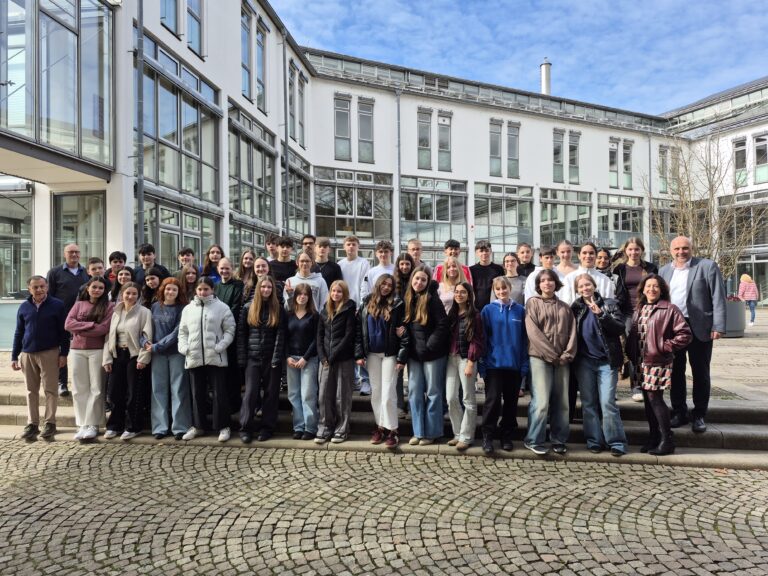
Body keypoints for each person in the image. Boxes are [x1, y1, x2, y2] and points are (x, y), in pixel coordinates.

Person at [659, 236, 726, 433]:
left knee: (700, 372)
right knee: (675, 372)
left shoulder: (707, 266)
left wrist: (718, 326)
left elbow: (718, 297)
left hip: (699, 327)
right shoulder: (663, 271)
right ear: (671, 251)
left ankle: (699, 414)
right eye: (677, 249)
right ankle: (679, 411)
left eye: (685, 248)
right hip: (673, 328)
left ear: (692, 248)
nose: (681, 252)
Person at [627, 274, 692, 455]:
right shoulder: (639, 308)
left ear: (662, 289)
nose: (652, 289)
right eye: (648, 286)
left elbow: (685, 334)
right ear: (643, 289)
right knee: (648, 401)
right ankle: (654, 437)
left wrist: (665, 346)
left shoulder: (669, 309)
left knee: (655, 399)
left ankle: (667, 439)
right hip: (641, 360)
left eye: (656, 286)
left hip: (657, 360)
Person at [571, 274, 628, 456]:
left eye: (588, 284)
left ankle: (616, 442)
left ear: (594, 286)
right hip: (584, 362)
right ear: (577, 290)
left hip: (606, 361)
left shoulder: (609, 304)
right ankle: (594, 440)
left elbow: (620, 327)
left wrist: (602, 314)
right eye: (581, 286)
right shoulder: (576, 307)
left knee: (607, 402)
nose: (585, 288)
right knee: (588, 403)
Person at [524, 269, 576, 456]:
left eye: (550, 280)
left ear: (556, 283)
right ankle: (533, 439)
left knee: (562, 402)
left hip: (563, 360)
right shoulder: (533, 303)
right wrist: (551, 354)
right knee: (541, 401)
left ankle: (558, 439)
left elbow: (572, 333)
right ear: (538, 285)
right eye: (543, 281)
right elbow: (533, 333)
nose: (547, 283)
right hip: (539, 358)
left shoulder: (565, 307)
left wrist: (567, 354)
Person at [12, 276, 70, 440]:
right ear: (29, 289)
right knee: (31, 391)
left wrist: (64, 353)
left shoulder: (57, 305)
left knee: (50, 390)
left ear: (47, 287)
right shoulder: (24, 307)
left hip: (49, 353)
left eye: (42, 286)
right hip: (27, 353)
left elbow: (64, 332)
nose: (39, 290)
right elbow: (19, 332)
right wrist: (14, 356)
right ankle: (32, 424)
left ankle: (50, 423)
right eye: (35, 287)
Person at [178, 277, 236, 441]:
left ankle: (223, 426)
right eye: (200, 289)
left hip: (215, 357)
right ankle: (198, 426)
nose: (203, 292)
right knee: (197, 394)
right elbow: (183, 331)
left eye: (206, 289)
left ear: (212, 290)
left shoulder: (222, 307)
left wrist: (221, 345)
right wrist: (184, 348)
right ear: (195, 290)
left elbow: (230, 329)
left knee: (219, 393)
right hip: (194, 356)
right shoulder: (188, 309)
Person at [355, 274, 408, 449]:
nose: (386, 287)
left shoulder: (398, 304)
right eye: (383, 284)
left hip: (390, 355)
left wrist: (401, 357)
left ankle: (393, 430)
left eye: (389, 285)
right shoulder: (366, 302)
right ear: (378, 284)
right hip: (371, 355)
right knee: (376, 393)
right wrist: (359, 354)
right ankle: (380, 427)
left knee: (388, 394)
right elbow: (358, 330)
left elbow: (403, 332)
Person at [480, 277, 528, 454]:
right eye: (498, 289)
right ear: (494, 291)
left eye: (504, 288)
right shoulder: (488, 310)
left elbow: (524, 340)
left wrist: (524, 366)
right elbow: (483, 339)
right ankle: (488, 436)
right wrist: (482, 365)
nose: (501, 292)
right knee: (492, 403)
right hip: (494, 365)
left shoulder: (520, 311)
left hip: (513, 366)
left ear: (510, 288)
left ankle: (506, 436)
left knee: (511, 403)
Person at [403, 266, 449, 446]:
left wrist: (429, 345)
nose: (419, 282)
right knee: (414, 393)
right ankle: (418, 431)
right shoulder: (408, 298)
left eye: (423, 280)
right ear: (412, 279)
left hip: (433, 354)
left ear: (428, 281)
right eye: (417, 279)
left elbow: (442, 325)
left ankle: (432, 432)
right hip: (414, 355)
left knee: (433, 393)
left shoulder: (432, 299)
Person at [65, 276, 113, 441]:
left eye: (101, 288)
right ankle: (82, 423)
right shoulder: (78, 304)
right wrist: (90, 325)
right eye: (94, 287)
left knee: (96, 388)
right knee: (79, 388)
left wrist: (80, 329)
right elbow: (68, 324)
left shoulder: (108, 306)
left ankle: (94, 424)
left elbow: (103, 329)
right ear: (88, 288)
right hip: (77, 350)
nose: (97, 290)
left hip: (97, 350)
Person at [238, 276, 285, 443]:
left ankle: (267, 428)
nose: (266, 290)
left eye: (269, 287)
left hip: (271, 359)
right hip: (253, 358)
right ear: (258, 289)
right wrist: (242, 359)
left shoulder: (278, 309)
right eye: (263, 287)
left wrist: (276, 357)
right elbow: (242, 335)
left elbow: (280, 335)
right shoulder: (247, 308)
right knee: (250, 394)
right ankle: (245, 427)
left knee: (271, 395)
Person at [102, 282, 152, 441]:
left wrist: (143, 358)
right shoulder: (116, 311)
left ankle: (133, 426)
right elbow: (109, 337)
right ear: (122, 294)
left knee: (133, 393)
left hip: (134, 355)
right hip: (117, 354)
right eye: (127, 293)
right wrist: (107, 358)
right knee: (114, 393)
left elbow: (147, 336)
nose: (130, 297)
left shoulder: (144, 312)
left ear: (138, 296)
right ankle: (114, 425)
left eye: (134, 294)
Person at [613, 237, 658, 402]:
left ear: (642, 250)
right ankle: (636, 387)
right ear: (625, 251)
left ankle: (643, 384)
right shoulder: (619, 269)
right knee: (631, 349)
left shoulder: (650, 268)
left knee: (645, 349)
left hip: (646, 311)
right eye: (630, 249)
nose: (633, 252)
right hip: (626, 313)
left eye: (637, 249)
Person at [146, 277, 191, 441]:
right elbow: (147, 327)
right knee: (158, 390)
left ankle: (180, 427)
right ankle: (160, 427)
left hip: (176, 352)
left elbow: (177, 332)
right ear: (162, 290)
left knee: (178, 389)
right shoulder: (154, 307)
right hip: (157, 354)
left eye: (174, 289)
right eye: (168, 289)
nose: (170, 292)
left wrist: (158, 345)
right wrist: (145, 342)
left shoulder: (183, 308)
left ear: (179, 292)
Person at [315, 280, 357, 444]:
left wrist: (333, 356)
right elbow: (319, 335)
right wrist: (322, 356)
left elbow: (348, 336)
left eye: (339, 291)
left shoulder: (349, 309)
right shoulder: (325, 310)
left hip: (343, 359)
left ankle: (342, 429)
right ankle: (325, 427)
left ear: (344, 293)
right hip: (325, 360)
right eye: (333, 291)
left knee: (342, 396)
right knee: (324, 395)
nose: (336, 294)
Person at [46, 243, 89, 397]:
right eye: (71, 252)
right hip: (61, 319)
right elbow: (48, 296)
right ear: (64, 254)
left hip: (82, 319)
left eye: (77, 252)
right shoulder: (54, 272)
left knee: (82, 351)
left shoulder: (86, 272)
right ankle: (61, 383)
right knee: (62, 352)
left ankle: (81, 384)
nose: (74, 255)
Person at [446, 281, 482, 451]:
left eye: (463, 292)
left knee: (468, 399)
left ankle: (467, 436)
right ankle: (458, 433)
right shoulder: (451, 313)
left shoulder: (474, 315)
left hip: (466, 359)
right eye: (457, 292)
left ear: (469, 295)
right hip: (451, 359)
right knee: (451, 397)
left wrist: (471, 362)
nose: (459, 294)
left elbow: (477, 340)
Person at [285, 283, 320, 441]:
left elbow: (316, 340)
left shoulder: (314, 315)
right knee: (294, 394)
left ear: (309, 297)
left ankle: (310, 427)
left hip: (309, 359)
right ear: (295, 296)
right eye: (299, 294)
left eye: (305, 294)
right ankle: (298, 427)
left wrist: (305, 358)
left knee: (308, 394)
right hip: (291, 358)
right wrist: (287, 356)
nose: (302, 296)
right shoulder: (289, 315)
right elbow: (283, 337)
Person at [338, 235, 371, 394]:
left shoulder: (364, 263)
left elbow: (364, 285)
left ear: (358, 247)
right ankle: (351, 379)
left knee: (361, 343)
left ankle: (364, 380)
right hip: (344, 308)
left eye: (354, 244)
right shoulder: (340, 264)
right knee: (347, 343)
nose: (351, 247)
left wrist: (361, 305)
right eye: (348, 244)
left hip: (358, 308)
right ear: (344, 247)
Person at [215, 258, 244, 413]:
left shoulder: (238, 285)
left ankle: (235, 403)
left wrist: (221, 322)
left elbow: (235, 307)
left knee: (233, 370)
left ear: (232, 269)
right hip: (217, 333)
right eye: (222, 268)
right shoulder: (215, 286)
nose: (224, 271)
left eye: (227, 268)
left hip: (231, 331)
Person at [470, 240, 504, 310]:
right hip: (476, 307)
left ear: (490, 251)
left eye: (486, 250)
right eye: (481, 251)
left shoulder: (498, 269)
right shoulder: (471, 270)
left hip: (495, 305)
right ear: (476, 253)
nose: (484, 253)